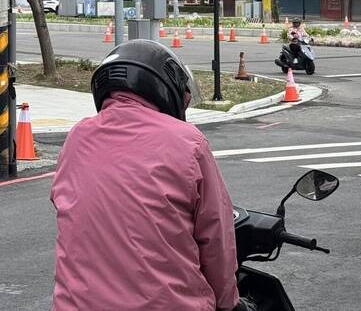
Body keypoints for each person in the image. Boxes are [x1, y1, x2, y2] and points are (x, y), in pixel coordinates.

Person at [50, 40, 249, 311]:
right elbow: (216, 238)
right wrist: (229, 303)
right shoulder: (188, 142)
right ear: (166, 87)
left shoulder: (77, 137)